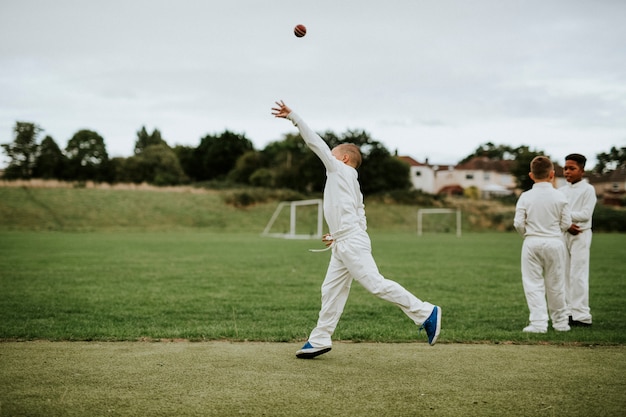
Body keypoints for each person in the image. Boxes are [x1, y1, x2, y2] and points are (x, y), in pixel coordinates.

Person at [271, 100, 441, 358]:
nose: (330, 156)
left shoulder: (339, 169)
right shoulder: (351, 181)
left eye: (334, 153)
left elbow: (314, 142)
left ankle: (426, 312)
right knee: (331, 290)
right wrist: (337, 234)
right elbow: (359, 215)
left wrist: (293, 116)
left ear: (345, 158)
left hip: (351, 242)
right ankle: (320, 339)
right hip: (346, 241)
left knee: (376, 284)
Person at [513, 156, 572, 333]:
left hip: (531, 242)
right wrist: (555, 233)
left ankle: (538, 324)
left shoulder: (525, 197)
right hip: (555, 241)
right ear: (552, 174)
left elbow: (518, 223)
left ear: (531, 175)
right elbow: (567, 223)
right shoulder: (560, 196)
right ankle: (561, 323)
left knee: (533, 284)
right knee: (557, 284)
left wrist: (528, 236)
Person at [560, 153, 597, 327]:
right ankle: (568, 312)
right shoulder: (561, 191)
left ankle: (582, 315)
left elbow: (585, 215)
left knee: (578, 274)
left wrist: (566, 219)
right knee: (565, 274)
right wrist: (567, 224)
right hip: (564, 233)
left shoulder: (588, 190)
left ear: (582, 170)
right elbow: (556, 214)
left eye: (572, 168)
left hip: (581, 234)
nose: (567, 172)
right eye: (565, 168)